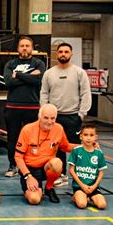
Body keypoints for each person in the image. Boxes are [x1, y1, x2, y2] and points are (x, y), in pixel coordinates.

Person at [40, 42, 92, 187]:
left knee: (75, 147)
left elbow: (86, 93)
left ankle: (80, 174)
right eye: (61, 52)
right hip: (54, 118)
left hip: (73, 116)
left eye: (66, 52)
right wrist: (45, 112)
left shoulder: (79, 72)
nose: (63, 54)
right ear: (57, 54)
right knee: (56, 147)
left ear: (71, 54)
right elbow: (44, 93)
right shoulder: (49, 73)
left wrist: (81, 113)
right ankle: (61, 175)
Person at [14, 104, 76, 205]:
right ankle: (36, 189)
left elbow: (65, 147)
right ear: (39, 117)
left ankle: (49, 187)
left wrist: (86, 146)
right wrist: (28, 177)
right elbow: (18, 157)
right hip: (30, 169)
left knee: (57, 163)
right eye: (46, 118)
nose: (49, 121)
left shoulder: (59, 129)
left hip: (47, 167)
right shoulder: (27, 130)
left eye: (53, 118)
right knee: (34, 200)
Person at [3, 36, 45, 177]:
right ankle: (12, 165)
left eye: (27, 45)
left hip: (32, 107)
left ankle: (30, 165)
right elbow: (8, 82)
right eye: (22, 45)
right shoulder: (10, 64)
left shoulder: (39, 63)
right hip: (13, 106)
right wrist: (28, 76)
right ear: (18, 48)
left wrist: (18, 75)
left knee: (32, 139)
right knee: (12, 138)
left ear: (32, 48)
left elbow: (38, 81)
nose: (25, 48)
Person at [68, 125, 107, 210]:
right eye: (86, 135)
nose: (88, 138)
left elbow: (101, 172)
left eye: (91, 135)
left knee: (102, 205)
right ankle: (76, 197)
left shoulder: (99, 153)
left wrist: (94, 186)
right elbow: (71, 170)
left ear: (96, 137)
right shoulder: (76, 151)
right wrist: (82, 186)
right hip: (80, 186)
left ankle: (90, 197)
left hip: (93, 187)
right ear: (81, 136)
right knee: (82, 204)